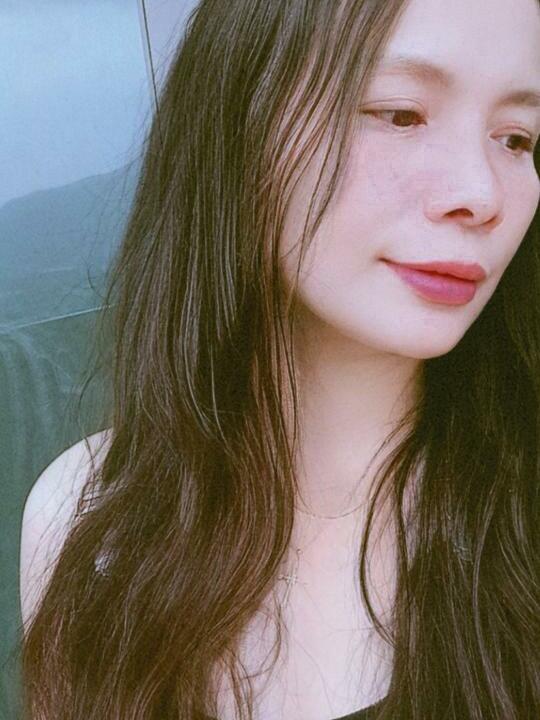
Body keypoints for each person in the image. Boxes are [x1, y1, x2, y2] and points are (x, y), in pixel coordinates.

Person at [19, 0, 540, 718]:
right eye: (400, 114)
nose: (481, 194)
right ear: (239, 119)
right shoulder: (83, 512)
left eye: (516, 138)